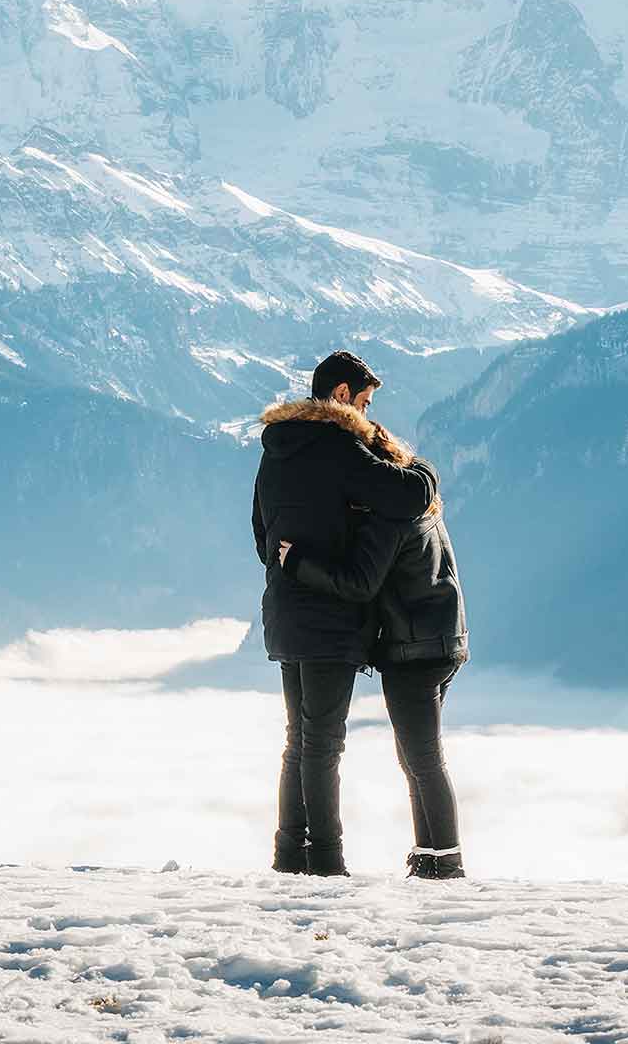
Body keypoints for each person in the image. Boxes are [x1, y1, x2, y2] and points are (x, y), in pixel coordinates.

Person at [250, 350, 433, 877]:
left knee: (298, 740)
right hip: (332, 615)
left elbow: (262, 535)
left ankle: (289, 855)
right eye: (367, 403)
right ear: (342, 397)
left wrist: (292, 564)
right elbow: (409, 496)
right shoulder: (340, 446)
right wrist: (415, 462)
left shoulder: (275, 451)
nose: (370, 416)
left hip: (284, 612)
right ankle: (327, 863)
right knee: (324, 742)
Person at [276, 414, 469, 881]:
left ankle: (445, 862)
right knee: (417, 757)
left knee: (422, 758)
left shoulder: (391, 518)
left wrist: (297, 561)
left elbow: (359, 583)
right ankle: (430, 855)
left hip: (412, 650)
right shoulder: (425, 507)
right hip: (445, 642)